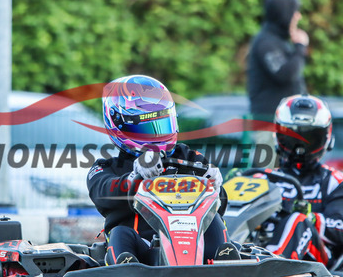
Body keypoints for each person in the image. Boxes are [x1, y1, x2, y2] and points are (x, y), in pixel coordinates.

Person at [87, 75, 235, 265]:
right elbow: (105, 194)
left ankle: (225, 261)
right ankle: (127, 268)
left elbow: (220, 206)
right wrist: (135, 176)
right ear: (119, 125)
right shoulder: (107, 167)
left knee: (214, 220)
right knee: (120, 233)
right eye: (146, 127)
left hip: (193, 245)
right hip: (142, 251)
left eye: (162, 124)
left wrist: (215, 187)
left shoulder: (189, 157)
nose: (157, 134)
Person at [260, 94, 343, 267]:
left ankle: (270, 267)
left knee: (298, 220)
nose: (300, 147)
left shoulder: (338, 183)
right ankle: (220, 264)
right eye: (292, 138)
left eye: (310, 138)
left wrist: (310, 218)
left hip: (318, 263)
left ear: (325, 138)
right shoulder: (261, 178)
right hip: (258, 249)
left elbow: (342, 229)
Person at [246, 0, 309, 121]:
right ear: (284, 14)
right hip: (269, 122)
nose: (298, 16)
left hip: (283, 120)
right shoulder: (266, 42)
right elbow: (285, 74)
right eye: (294, 12)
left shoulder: (279, 41)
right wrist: (299, 48)